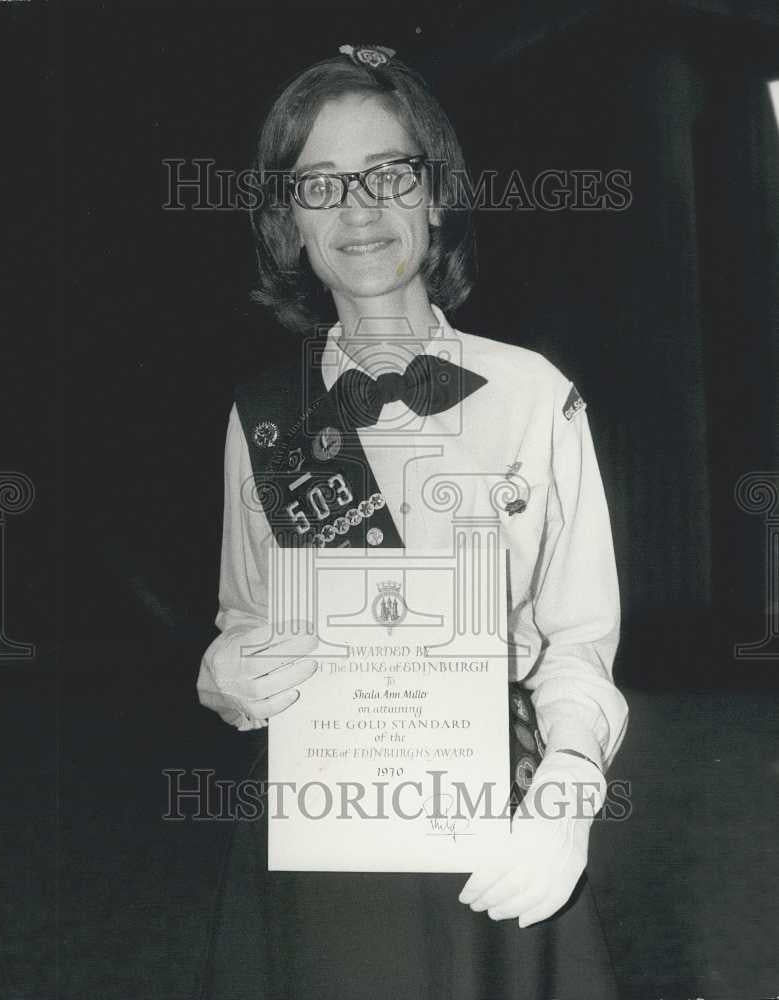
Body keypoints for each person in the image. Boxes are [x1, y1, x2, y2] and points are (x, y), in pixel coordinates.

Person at [197, 44, 628, 1000]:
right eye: (321, 184)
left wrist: (566, 789)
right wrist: (223, 674)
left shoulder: (534, 396)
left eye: (388, 173)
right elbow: (244, 618)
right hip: (318, 827)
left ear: (435, 196)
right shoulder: (262, 413)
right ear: (289, 222)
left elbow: (576, 643)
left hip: (501, 829)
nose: (359, 209)